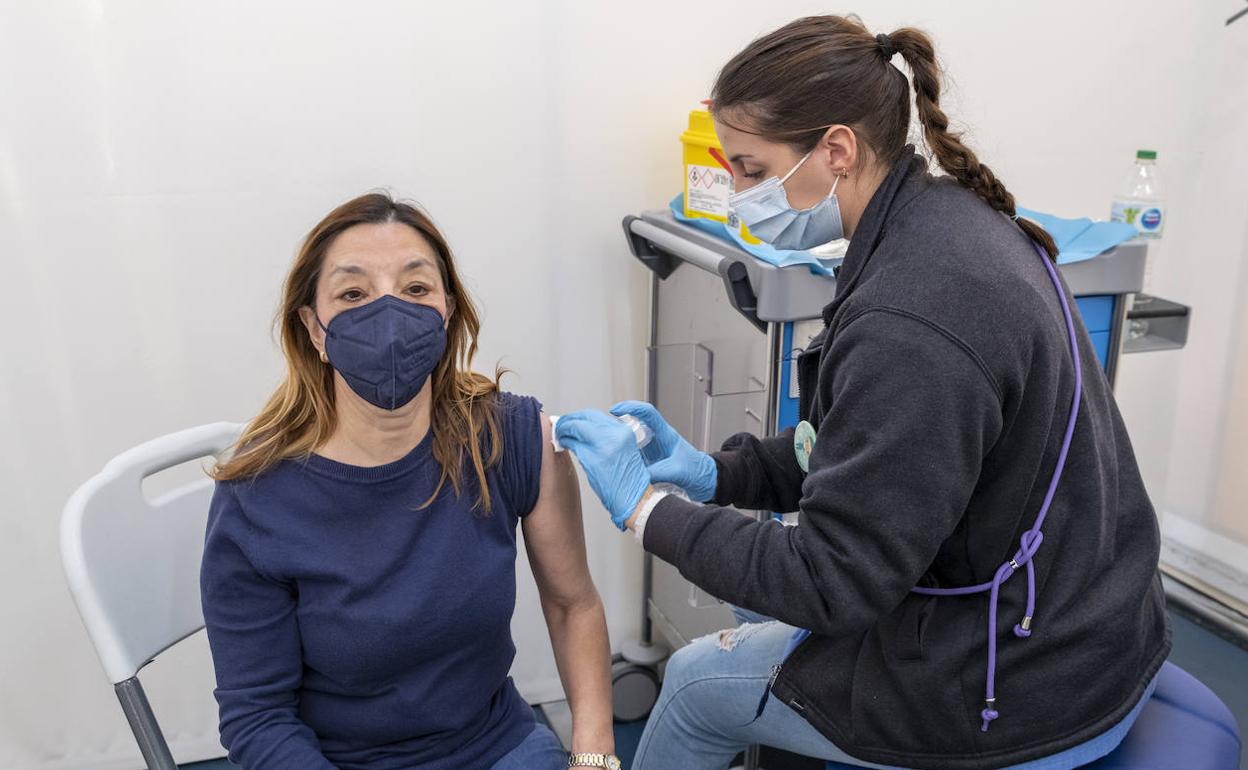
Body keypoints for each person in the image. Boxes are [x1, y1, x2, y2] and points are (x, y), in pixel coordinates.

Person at [556, 15, 1168, 770]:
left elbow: (830, 581)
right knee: (750, 605)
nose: (738, 194)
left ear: (836, 150)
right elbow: (860, 446)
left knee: (690, 685)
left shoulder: (912, 316)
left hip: (1026, 678)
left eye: (750, 169)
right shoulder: (941, 221)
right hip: (1086, 616)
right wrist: (719, 473)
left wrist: (648, 512)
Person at [201, 192, 621, 770]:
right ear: (315, 330)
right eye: (353, 294)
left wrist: (595, 759)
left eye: (416, 288)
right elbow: (258, 716)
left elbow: (574, 606)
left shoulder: (511, 437)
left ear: (447, 312)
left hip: (492, 743)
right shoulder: (258, 497)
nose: (389, 316)